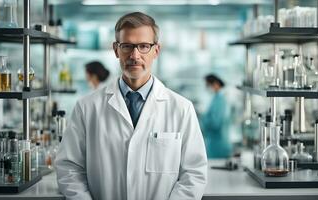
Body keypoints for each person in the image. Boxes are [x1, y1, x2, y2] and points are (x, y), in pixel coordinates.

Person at [55, 12, 207, 200]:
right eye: (127, 46)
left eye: (144, 46)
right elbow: (69, 168)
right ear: (116, 49)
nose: (135, 55)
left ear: (156, 50)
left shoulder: (182, 109)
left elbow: (194, 173)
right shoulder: (87, 108)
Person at [201, 74, 232, 158]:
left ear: (215, 84)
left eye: (207, 85)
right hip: (214, 142)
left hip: (218, 144)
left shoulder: (220, 100)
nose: (206, 88)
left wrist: (202, 121)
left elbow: (215, 123)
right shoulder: (216, 98)